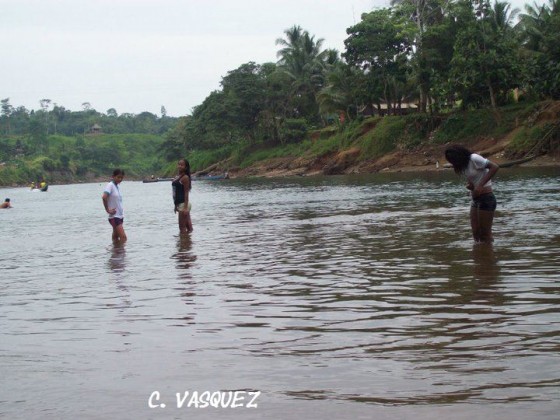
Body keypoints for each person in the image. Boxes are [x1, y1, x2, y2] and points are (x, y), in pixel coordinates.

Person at [445, 145, 499, 243]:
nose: (454, 163)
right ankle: (479, 256)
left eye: (454, 160)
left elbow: (494, 167)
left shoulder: (474, 158)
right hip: (475, 200)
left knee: (485, 234)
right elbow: (473, 178)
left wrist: (480, 186)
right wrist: (471, 186)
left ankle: (489, 256)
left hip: (486, 198)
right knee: (476, 234)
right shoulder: (463, 165)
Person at [102, 168, 127, 242]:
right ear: (113, 176)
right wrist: (107, 209)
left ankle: (115, 252)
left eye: (121, 178)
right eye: (118, 177)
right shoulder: (110, 185)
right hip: (114, 216)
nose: (120, 179)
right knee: (123, 238)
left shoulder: (117, 186)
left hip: (119, 215)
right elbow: (104, 197)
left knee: (115, 237)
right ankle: (121, 253)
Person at [172, 158, 193, 234]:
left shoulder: (185, 177)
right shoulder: (178, 176)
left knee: (182, 227)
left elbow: (186, 193)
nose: (180, 166)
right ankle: (189, 242)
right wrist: (175, 205)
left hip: (184, 204)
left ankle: (183, 244)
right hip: (180, 204)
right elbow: (175, 192)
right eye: (179, 164)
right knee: (188, 226)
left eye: (182, 165)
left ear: (186, 167)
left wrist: (185, 208)